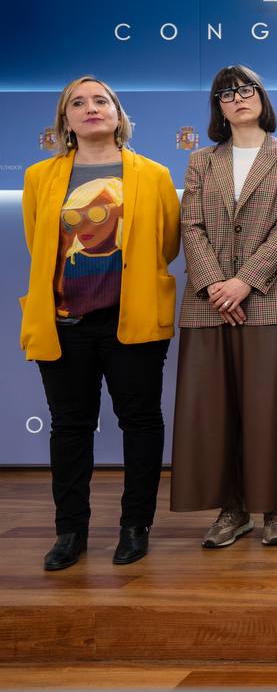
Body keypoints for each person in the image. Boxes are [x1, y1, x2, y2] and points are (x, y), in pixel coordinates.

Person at [20, 76, 180, 570]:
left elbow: (167, 243)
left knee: (140, 422)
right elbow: (38, 242)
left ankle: (135, 526)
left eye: (100, 100)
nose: (90, 107)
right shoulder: (39, 177)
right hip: (64, 321)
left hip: (132, 319)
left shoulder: (153, 174)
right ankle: (70, 532)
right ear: (65, 120)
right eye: (78, 102)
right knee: (70, 427)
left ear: (118, 113)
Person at [169, 64, 277, 548]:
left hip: (270, 299)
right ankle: (231, 510)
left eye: (247, 89)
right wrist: (215, 285)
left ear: (262, 98)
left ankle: (275, 507)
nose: (239, 98)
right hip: (208, 304)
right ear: (218, 108)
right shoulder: (201, 161)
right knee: (214, 411)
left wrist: (244, 282)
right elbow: (191, 226)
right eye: (227, 94)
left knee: (269, 410)